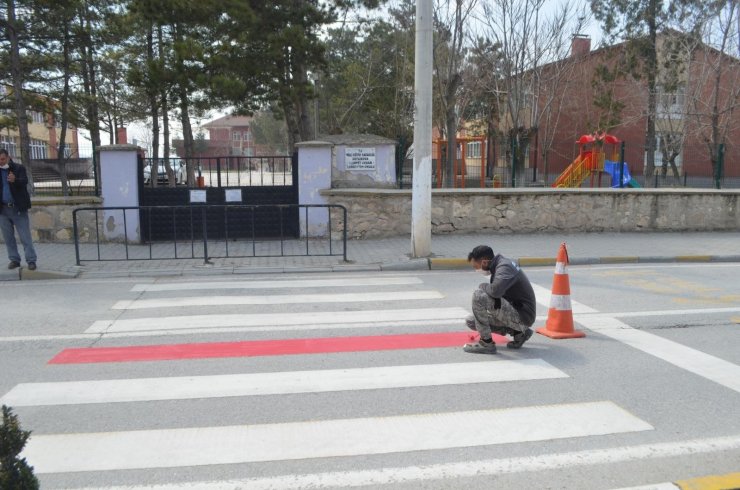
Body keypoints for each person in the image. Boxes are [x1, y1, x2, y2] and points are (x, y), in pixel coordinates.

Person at [463, 245, 536, 354]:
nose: (476, 269)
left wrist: (483, 285)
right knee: (472, 321)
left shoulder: (504, 267)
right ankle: (519, 333)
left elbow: (495, 291)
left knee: (478, 295)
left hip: (523, 315)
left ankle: (486, 344)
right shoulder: (498, 266)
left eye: (476, 266)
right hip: (514, 311)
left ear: (484, 262)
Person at [0, 149, 37, 270]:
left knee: (25, 236)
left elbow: (25, 181)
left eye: (2, 159)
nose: (0, 162)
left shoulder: (18, 168)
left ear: (8, 157)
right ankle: (14, 259)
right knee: (8, 237)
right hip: (3, 210)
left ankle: (31, 260)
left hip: (17, 208)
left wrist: (15, 180)